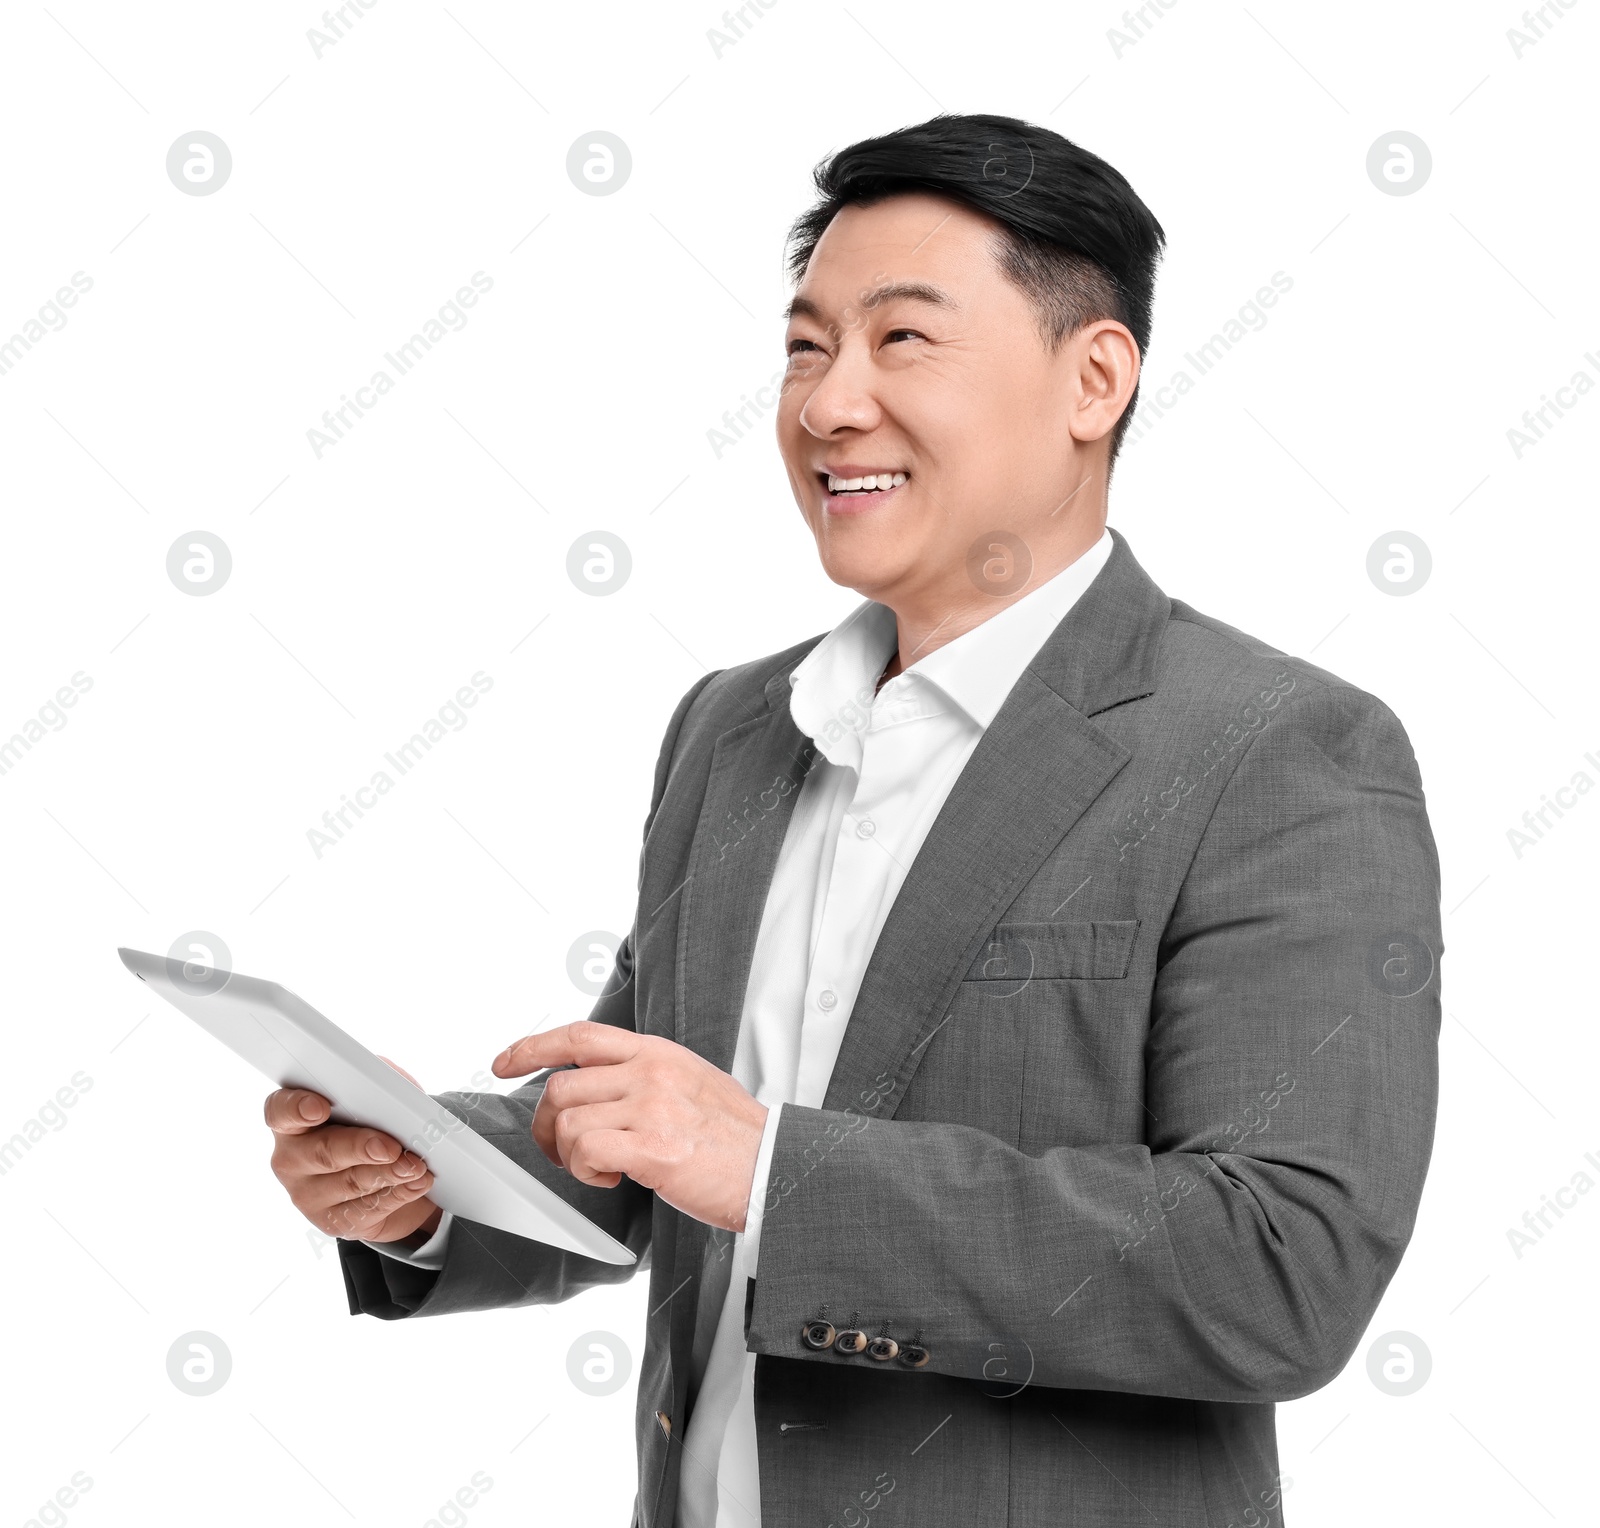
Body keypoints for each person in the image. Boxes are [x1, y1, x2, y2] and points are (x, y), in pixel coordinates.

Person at [266, 113, 1442, 1527]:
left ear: (1093, 378)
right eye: (806, 346)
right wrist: (430, 1179)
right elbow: (656, 1142)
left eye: (901, 342)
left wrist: (771, 1167)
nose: (828, 406)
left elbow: (1278, 1269)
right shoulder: (733, 727)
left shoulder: (1278, 751)